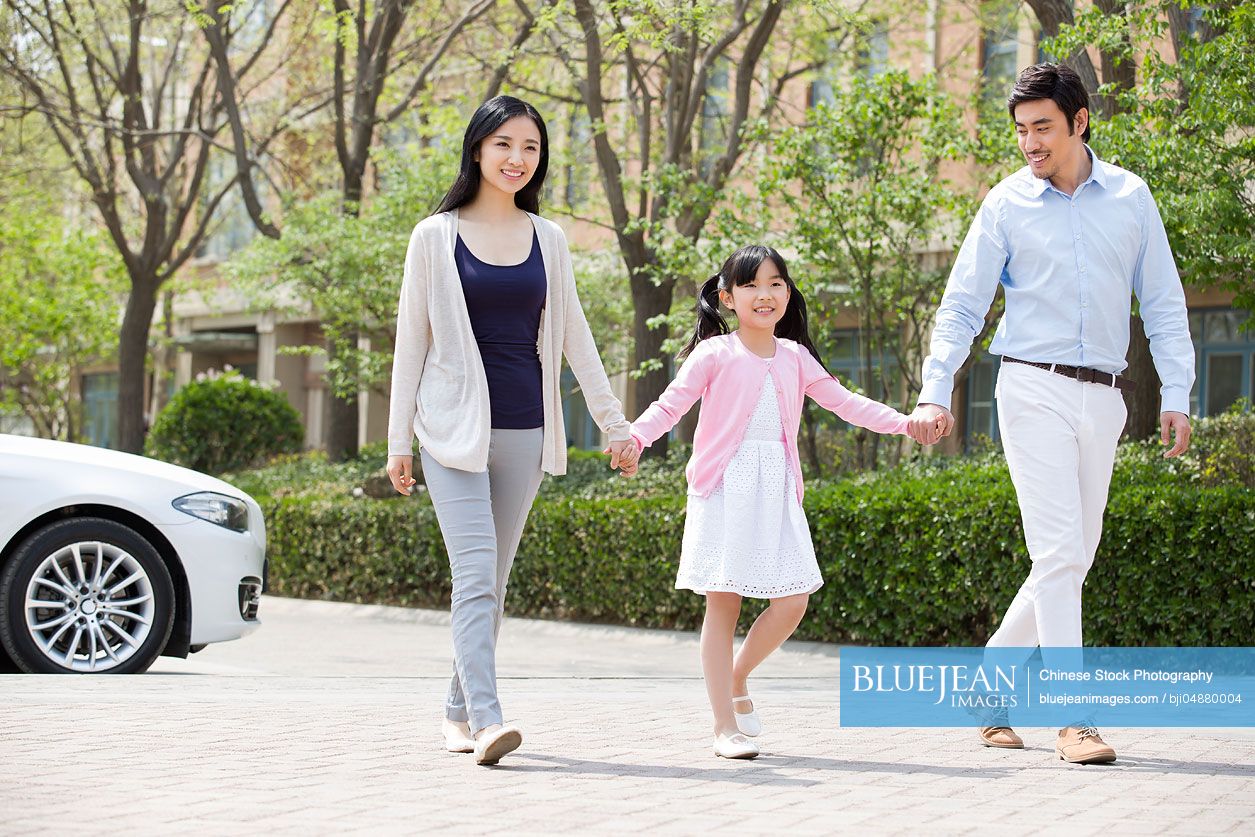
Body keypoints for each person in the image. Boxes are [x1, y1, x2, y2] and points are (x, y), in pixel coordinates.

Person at [907, 63, 1195, 764]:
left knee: (1072, 556)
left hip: (1104, 394)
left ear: (1079, 120)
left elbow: (1161, 301)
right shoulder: (1004, 204)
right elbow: (961, 305)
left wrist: (1178, 392)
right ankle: (1072, 718)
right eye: (1020, 131)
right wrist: (934, 387)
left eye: (1042, 127)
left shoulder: (1130, 197)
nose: (1029, 143)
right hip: (1029, 385)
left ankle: (986, 687)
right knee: (1060, 550)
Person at [385, 96, 638, 766]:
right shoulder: (433, 235)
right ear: (476, 150)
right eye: (503, 144)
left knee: (490, 581)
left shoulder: (548, 239)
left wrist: (615, 425)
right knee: (473, 573)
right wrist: (396, 441)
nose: (516, 158)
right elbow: (410, 342)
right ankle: (490, 717)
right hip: (448, 431)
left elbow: (576, 340)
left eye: (529, 147)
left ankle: (454, 709)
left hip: (525, 426)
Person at [628, 245, 917, 759]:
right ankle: (723, 726)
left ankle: (737, 676)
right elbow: (669, 405)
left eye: (776, 283)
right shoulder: (715, 353)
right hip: (723, 488)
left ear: (788, 293)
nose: (765, 295)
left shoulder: (796, 357)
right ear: (727, 297)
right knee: (725, 604)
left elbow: (847, 403)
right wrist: (633, 439)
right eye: (751, 285)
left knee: (793, 601)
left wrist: (906, 423)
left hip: (777, 489)